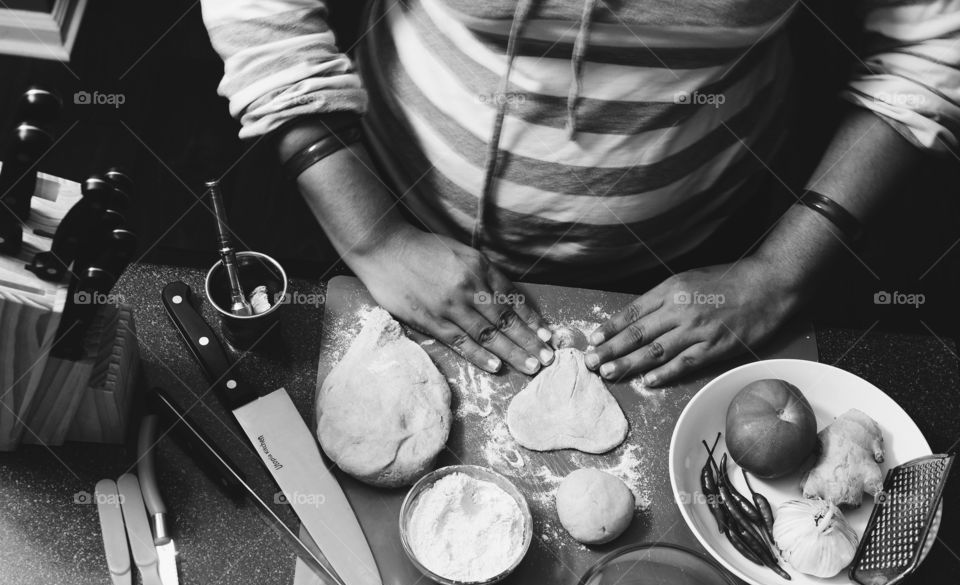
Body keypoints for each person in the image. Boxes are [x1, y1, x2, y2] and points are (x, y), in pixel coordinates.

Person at [200, 0, 959, 385]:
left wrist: (784, 268)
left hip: (707, 250)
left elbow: (935, 39)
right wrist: (375, 236)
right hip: (397, 210)